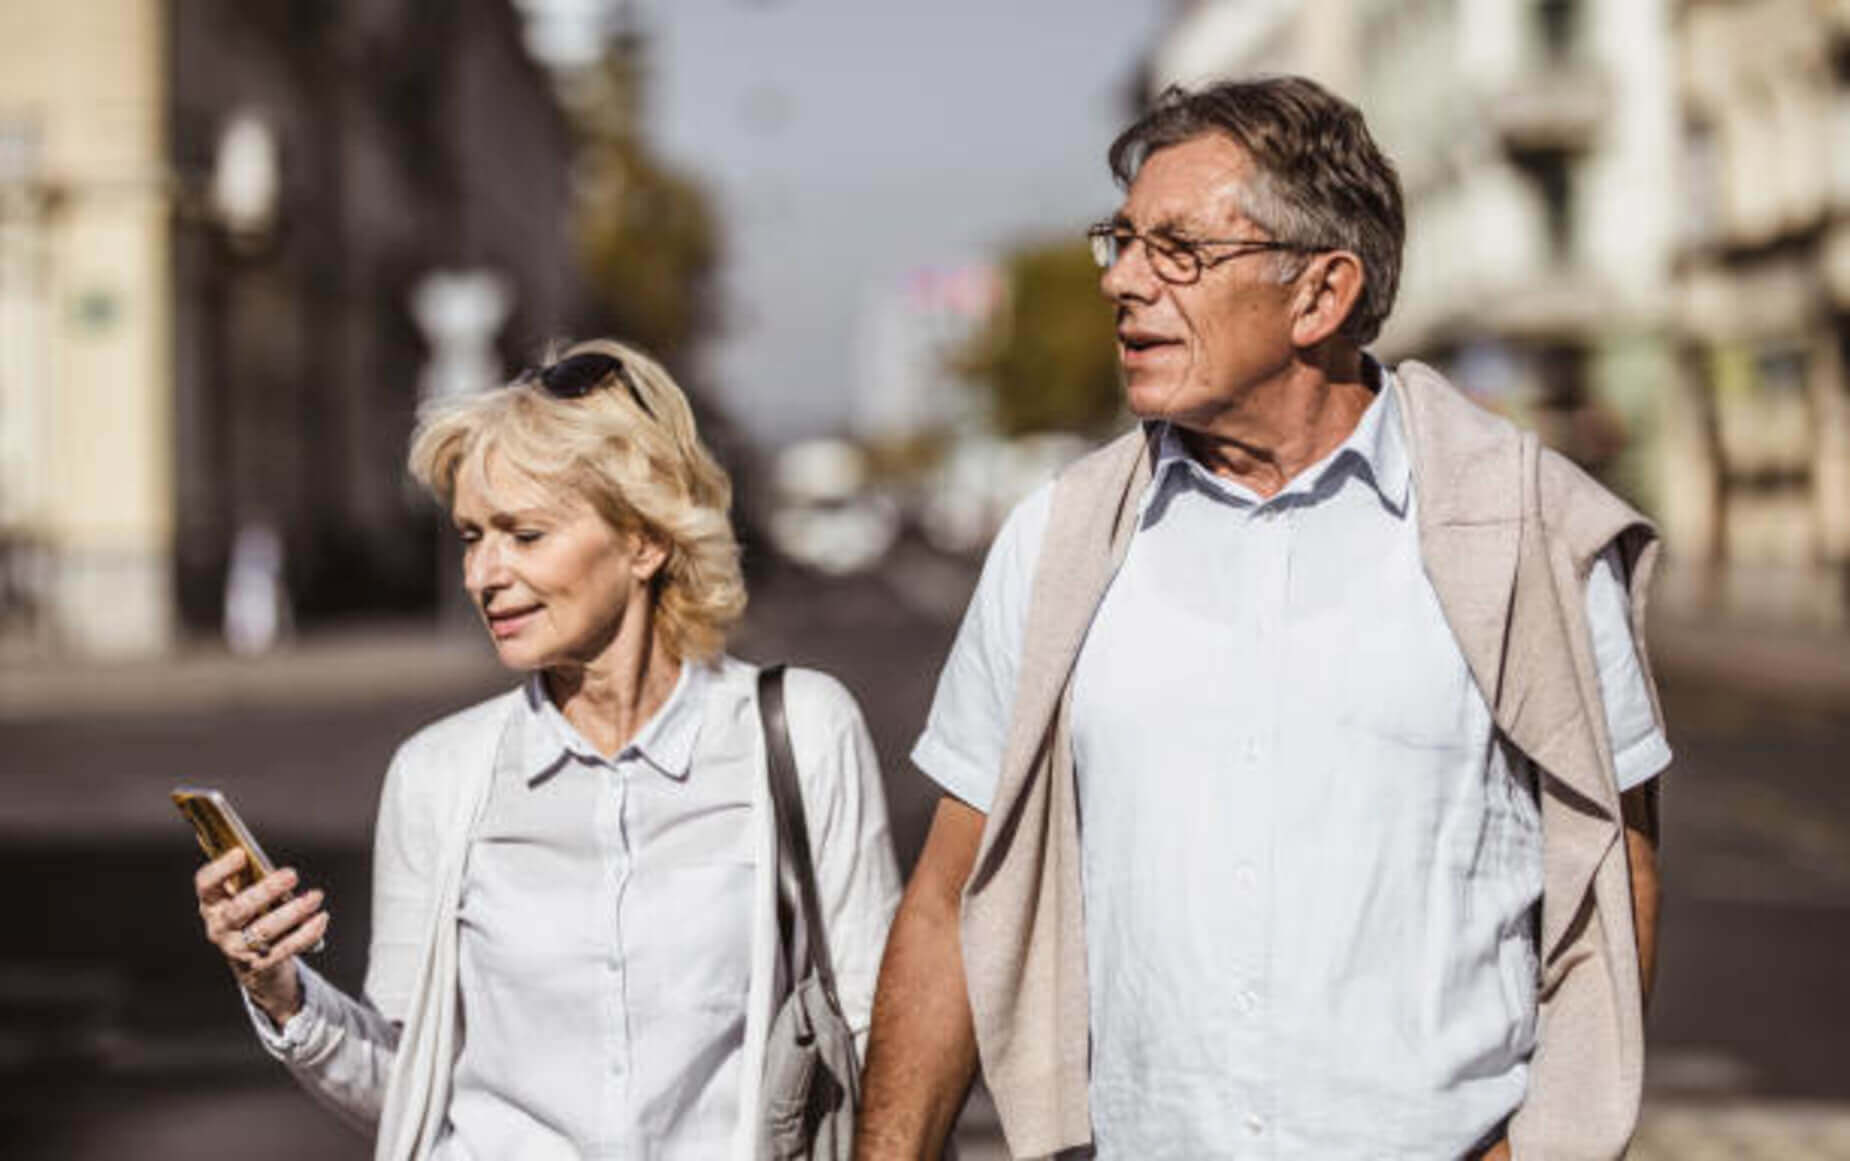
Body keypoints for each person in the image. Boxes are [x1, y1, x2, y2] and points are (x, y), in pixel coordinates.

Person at [856, 78, 1667, 1161]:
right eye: (1122, 241)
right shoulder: (1058, 542)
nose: (1122, 282)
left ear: (1318, 295)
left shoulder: (1528, 532)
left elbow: (1613, 873)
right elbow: (950, 900)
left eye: (1178, 249)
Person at [191, 339, 901, 1161]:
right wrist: (280, 991)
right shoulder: (439, 775)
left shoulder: (801, 731)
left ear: (645, 540)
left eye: (524, 534)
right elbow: (407, 1088)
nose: (483, 573)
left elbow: (879, 1032)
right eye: (470, 536)